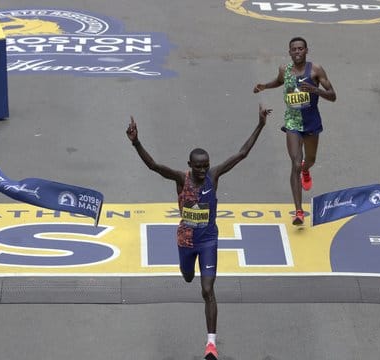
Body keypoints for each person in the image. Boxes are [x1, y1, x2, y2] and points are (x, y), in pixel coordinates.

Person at [126, 104, 270, 360]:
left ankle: (211, 345)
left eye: (206, 166)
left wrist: (260, 124)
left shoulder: (215, 177)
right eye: (198, 167)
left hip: (208, 241)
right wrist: (136, 142)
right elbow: (154, 166)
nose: (203, 171)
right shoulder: (182, 179)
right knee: (188, 278)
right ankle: (187, 268)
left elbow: (242, 153)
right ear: (189, 165)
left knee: (207, 290)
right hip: (185, 240)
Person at [253, 36, 336, 225]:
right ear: (289, 52)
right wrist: (264, 86)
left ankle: (307, 170)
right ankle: (299, 211)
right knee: (295, 163)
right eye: (294, 49)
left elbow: (333, 96)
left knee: (310, 160)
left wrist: (316, 91)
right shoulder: (285, 69)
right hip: (292, 122)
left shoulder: (316, 70)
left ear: (306, 51)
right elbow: (279, 81)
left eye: (300, 49)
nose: (297, 52)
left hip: (312, 122)